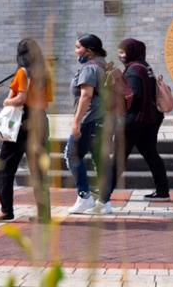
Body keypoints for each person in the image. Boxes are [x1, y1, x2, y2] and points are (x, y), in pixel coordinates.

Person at [88, 38, 170, 214]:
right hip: (150, 119)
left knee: (118, 158)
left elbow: (134, 97)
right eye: (119, 51)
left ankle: (103, 198)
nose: (120, 55)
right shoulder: (145, 67)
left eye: (123, 52)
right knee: (151, 153)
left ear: (132, 52)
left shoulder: (133, 70)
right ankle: (163, 191)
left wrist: (117, 88)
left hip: (134, 122)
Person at [0, 38, 52, 223]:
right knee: (39, 169)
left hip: (23, 122)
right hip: (41, 120)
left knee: (6, 166)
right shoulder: (44, 74)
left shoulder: (23, 72)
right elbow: (46, 102)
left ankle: (5, 210)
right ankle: (44, 214)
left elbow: (20, 99)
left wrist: (6, 101)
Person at [65, 34, 108, 214]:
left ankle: (84, 197)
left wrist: (76, 123)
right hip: (103, 119)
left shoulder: (90, 68)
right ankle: (105, 202)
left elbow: (86, 95)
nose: (76, 51)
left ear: (89, 51)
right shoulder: (103, 66)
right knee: (99, 160)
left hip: (89, 119)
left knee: (72, 155)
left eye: (78, 47)